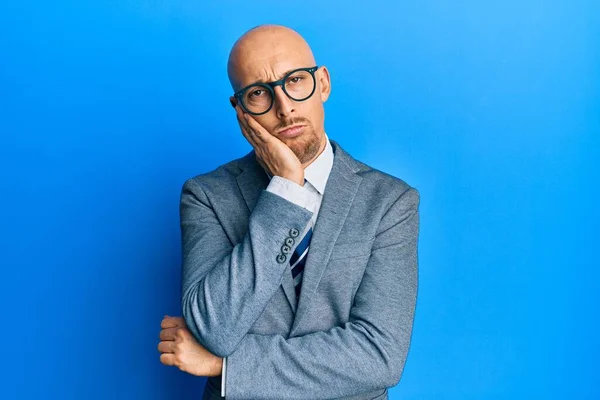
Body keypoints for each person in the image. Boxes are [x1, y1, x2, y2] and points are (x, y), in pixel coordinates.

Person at [158, 24, 420, 400]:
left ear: (323, 83)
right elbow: (214, 328)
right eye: (260, 93)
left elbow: (380, 355)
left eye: (296, 80)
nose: (285, 108)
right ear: (240, 110)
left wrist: (226, 366)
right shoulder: (206, 195)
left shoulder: (390, 202)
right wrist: (285, 191)